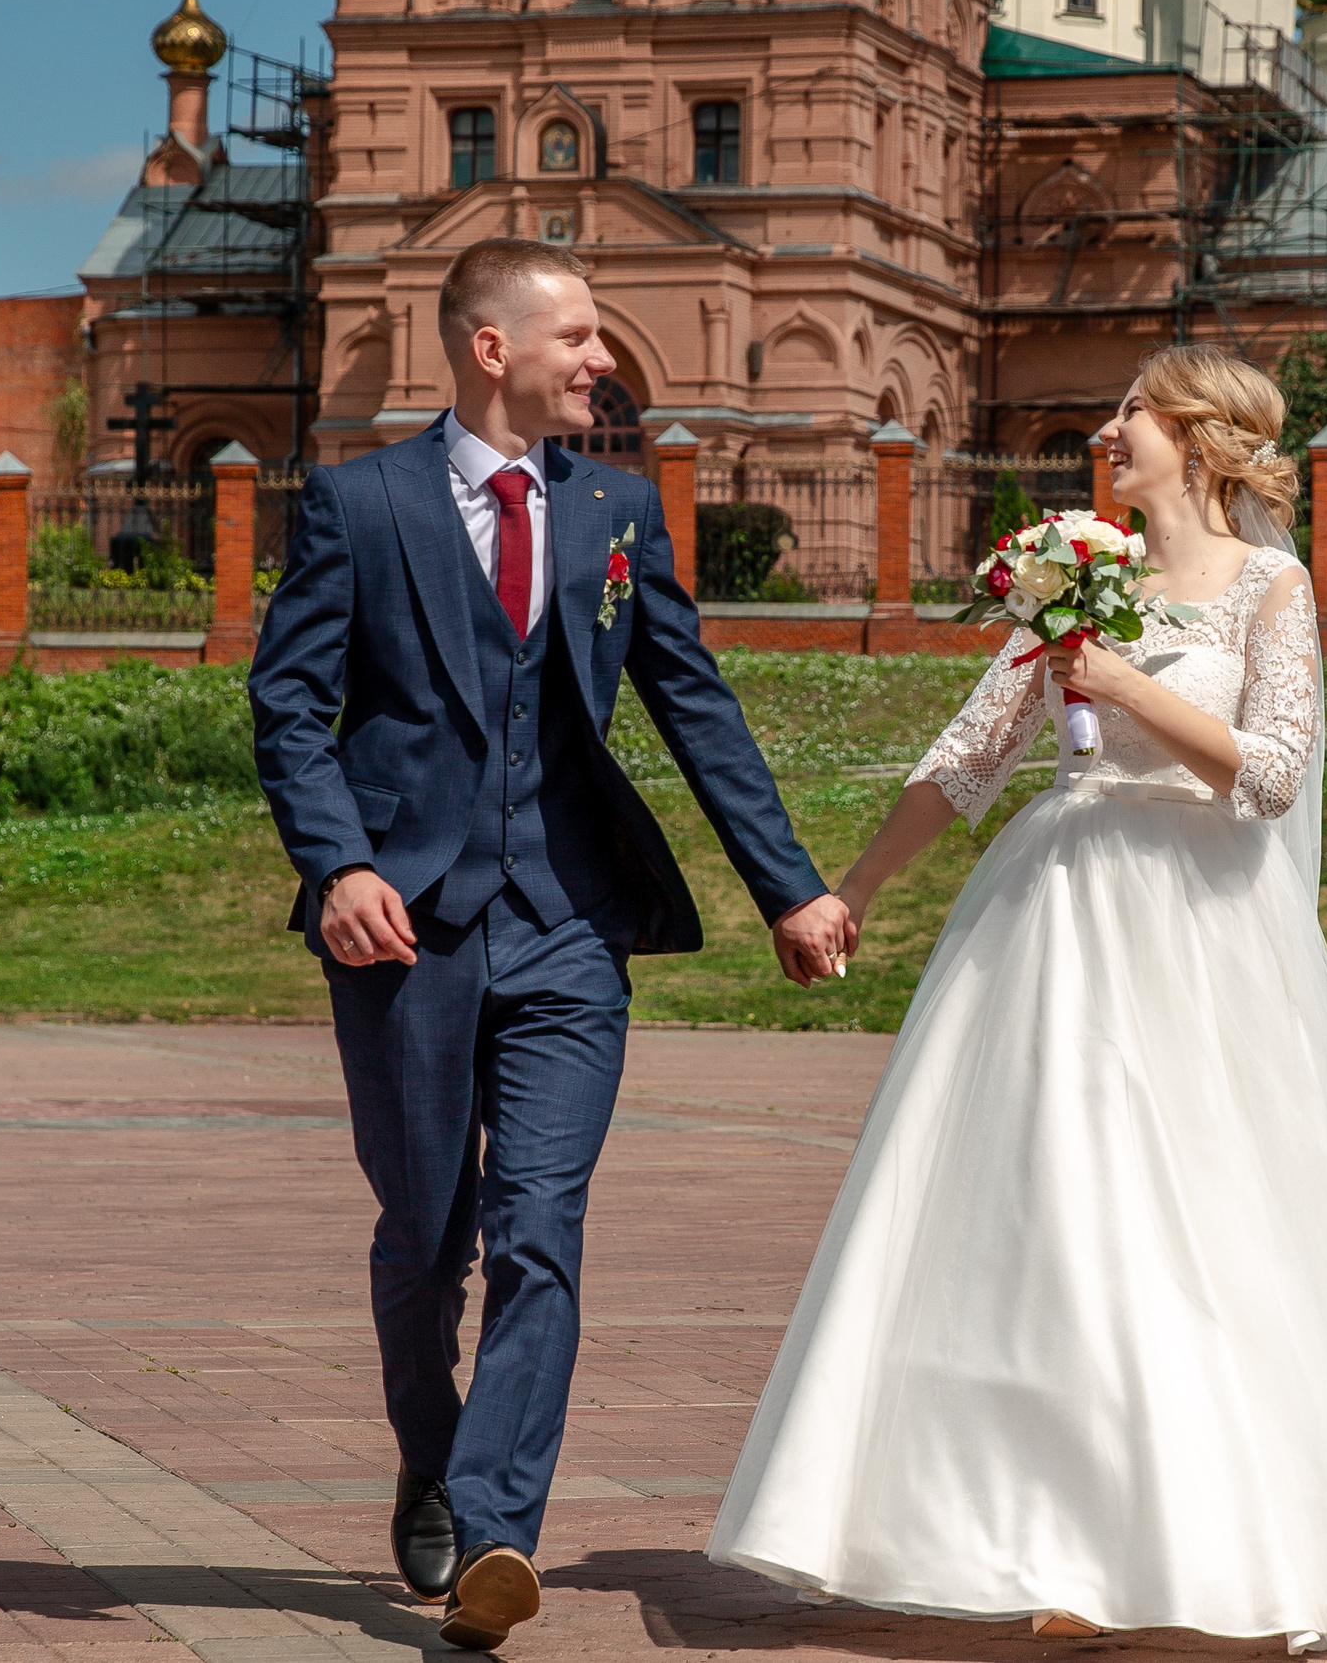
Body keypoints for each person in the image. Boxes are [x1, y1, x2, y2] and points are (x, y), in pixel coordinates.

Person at [706, 345, 1327, 1653]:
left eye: (1133, 412)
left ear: (1202, 439)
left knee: (1204, 1228)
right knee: (1055, 1217)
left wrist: (1123, 688)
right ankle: (1057, 1539)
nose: (1108, 429)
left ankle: (1226, 1537)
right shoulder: (1071, 575)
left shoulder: (1269, 589)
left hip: (1205, 934)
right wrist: (856, 891)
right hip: (1055, 920)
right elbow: (972, 754)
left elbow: (1273, 774)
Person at [249, 237, 854, 1651]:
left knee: (539, 1226)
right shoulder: (362, 504)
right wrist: (337, 864)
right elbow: (291, 711)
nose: (600, 358)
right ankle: (430, 1449)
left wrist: (788, 890)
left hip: (573, 928)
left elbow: (696, 706)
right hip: (406, 930)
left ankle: (494, 1533)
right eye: (576, 336)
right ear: (490, 349)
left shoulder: (617, 511)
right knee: (427, 1231)